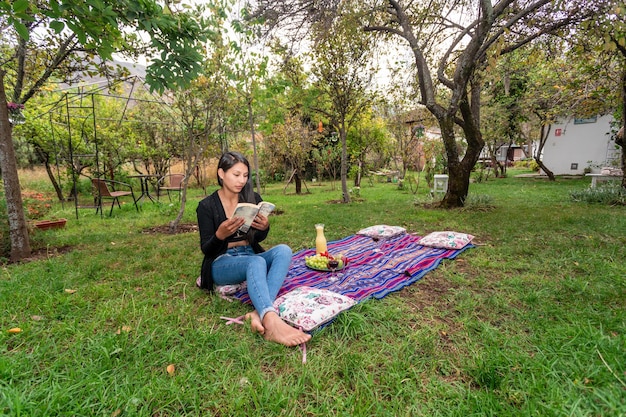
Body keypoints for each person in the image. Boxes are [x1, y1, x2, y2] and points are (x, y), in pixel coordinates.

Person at [196, 151, 311, 347]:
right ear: (221, 174)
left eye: (245, 175)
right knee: (256, 261)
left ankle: (257, 313)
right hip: (221, 261)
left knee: (283, 250)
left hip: (249, 254)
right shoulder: (206, 206)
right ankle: (271, 320)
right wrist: (220, 235)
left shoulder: (251, 197)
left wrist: (264, 227)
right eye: (236, 174)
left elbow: (256, 238)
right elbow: (207, 249)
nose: (242, 180)